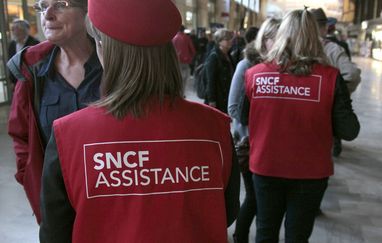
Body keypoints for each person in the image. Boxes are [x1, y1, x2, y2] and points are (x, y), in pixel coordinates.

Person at [39, 0, 240, 242]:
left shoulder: (68, 135)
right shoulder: (214, 127)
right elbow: (226, 212)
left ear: (104, 49)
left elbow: (55, 234)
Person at [244, 9, 360, 242]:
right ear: (314, 36)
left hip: (265, 167)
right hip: (310, 173)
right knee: (298, 236)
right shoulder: (330, 78)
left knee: (265, 231)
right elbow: (349, 130)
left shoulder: (254, 75)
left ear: (282, 35)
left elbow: (246, 117)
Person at [7, 0, 102, 224]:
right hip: (56, 204)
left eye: (61, 4)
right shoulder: (32, 72)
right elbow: (20, 134)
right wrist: (31, 177)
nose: (47, 15)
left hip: (108, 195)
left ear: (88, 9)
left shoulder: (114, 65)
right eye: (42, 5)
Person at [227, 19, 280, 243]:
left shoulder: (280, 66)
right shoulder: (246, 65)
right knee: (254, 197)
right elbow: (232, 108)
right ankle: (240, 235)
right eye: (275, 38)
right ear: (265, 39)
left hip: (269, 145)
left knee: (262, 199)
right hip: (248, 144)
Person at [311, 8, 361, 157]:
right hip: (326, 110)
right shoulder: (332, 49)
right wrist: (338, 93)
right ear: (325, 27)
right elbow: (352, 75)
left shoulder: (295, 47)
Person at [205, 28, 235, 113]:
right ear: (219, 41)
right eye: (227, 39)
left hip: (226, 96)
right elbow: (210, 81)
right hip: (218, 98)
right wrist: (212, 100)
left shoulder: (228, 55)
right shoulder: (214, 57)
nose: (230, 41)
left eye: (231, 38)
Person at [7, 19, 40, 88]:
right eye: (12, 29)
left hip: (32, 82)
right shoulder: (11, 45)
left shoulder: (35, 44)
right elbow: (10, 63)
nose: (12, 32)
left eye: (14, 29)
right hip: (16, 82)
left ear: (22, 30)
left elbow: (38, 64)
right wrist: (11, 81)